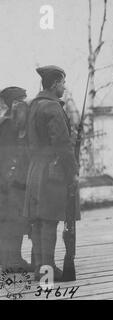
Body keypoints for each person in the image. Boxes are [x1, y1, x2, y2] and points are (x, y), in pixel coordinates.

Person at [24, 65, 79, 281]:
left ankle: (40, 267)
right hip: (52, 171)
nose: (64, 88)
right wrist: (72, 172)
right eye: (63, 83)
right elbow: (63, 145)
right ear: (55, 83)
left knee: (38, 220)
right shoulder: (53, 108)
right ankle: (48, 268)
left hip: (35, 169)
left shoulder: (33, 106)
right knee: (49, 220)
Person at [0, 87, 32, 272]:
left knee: (13, 219)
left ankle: (11, 258)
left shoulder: (12, 122)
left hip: (11, 179)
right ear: (14, 102)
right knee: (13, 220)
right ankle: (12, 261)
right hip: (10, 180)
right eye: (22, 99)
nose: (25, 103)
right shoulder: (8, 124)